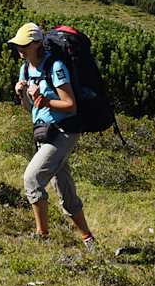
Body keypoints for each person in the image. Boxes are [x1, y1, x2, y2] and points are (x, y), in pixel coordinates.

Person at [9, 21, 95, 248]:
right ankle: (88, 239)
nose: (20, 48)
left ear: (37, 44)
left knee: (32, 178)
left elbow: (70, 105)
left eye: (24, 45)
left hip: (64, 132)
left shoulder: (56, 67)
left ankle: (42, 236)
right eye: (18, 45)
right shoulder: (26, 68)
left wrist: (45, 99)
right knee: (64, 188)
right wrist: (23, 96)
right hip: (44, 133)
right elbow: (32, 109)